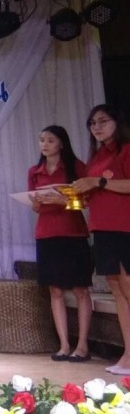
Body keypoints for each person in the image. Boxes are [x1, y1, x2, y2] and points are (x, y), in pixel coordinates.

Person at [72, 104, 130, 375]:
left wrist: (98, 183)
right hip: (103, 228)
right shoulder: (95, 157)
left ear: (117, 122)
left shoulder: (126, 150)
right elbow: (97, 189)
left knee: (127, 287)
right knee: (117, 289)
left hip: (125, 227)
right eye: (92, 123)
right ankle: (128, 354)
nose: (97, 127)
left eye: (103, 121)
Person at [27, 125, 92, 362]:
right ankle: (64, 345)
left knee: (80, 288)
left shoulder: (76, 167)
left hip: (72, 232)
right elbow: (36, 207)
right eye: (41, 140)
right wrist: (36, 202)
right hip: (46, 233)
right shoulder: (35, 171)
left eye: (50, 140)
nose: (44, 145)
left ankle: (82, 345)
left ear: (62, 143)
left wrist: (63, 200)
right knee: (55, 290)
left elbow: (86, 202)